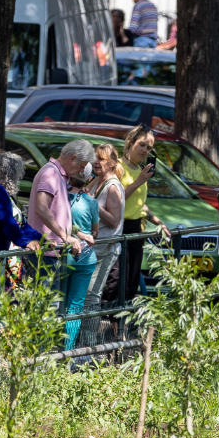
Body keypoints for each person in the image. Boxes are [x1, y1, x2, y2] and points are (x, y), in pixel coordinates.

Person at [80, 144, 127, 349]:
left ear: (113, 163)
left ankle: (89, 346)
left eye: (102, 159)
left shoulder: (113, 186)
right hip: (91, 247)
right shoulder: (97, 181)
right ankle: (79, 342)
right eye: (95, 158)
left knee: (92, 294)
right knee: (84, 294)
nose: (96, 162)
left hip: (106, 248)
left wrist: (93, 203)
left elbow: (114, 221)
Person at [28, 138, 95, 281]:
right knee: (46, 303)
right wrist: (65, 237)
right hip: (44, 254)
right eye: (82, 166)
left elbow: (57, 213)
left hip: (50, 252)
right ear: (73, 158)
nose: (82, 170)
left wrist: (77, 234)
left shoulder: (58, 174)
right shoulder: (51, 173)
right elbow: (42, 208)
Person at [115, 125, 159, 300]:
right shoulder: (117, 167)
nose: (145, 150)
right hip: (120, 227)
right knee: (119, 280)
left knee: (132, 281)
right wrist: (139, 181)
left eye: (149, 148)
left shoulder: (141, 170)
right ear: (131, 142)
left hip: (136, 229)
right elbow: (116, 201)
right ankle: (113, 321)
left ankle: (127, 323)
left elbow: (140, 204)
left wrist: (158, 222)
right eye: (142, 145)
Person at [60, 179, 100, 350]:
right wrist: (84, 234)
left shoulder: (60, 198)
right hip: (86, 259)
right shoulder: (91, 202)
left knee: (58, 303)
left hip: (64, 258)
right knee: (75, 306)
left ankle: (51, 348)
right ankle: (67, 350)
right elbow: (95, 230)